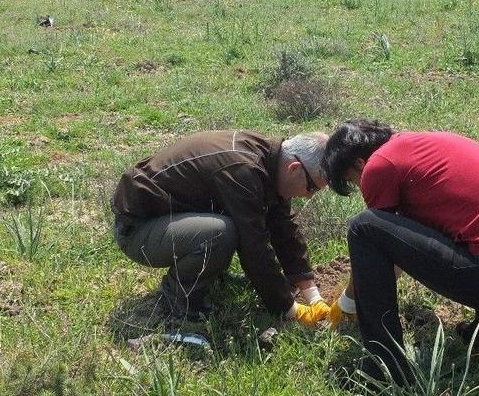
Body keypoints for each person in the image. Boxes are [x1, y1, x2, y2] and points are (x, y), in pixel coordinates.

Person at [322, 119, 479, 384]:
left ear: (360, 163)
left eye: (352, 180)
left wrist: (348, 302)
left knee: (364, 227)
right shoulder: (426, 145)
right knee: (468, 230)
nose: (360, 186)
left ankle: (383, 368)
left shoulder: (380, 164)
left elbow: (383, 249)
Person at [111, 130, 331, 326]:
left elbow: (283, 226)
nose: (309, 196)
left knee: (229, 226)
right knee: (221, 232)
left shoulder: (269, 162)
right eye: (311, 187)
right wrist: (288, 308)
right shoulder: (242, 171)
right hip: (138, 230)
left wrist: (312, 295)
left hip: (167, 219)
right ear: (294, 168)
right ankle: (180, 298)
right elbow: (254, 246)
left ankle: (209, 279)